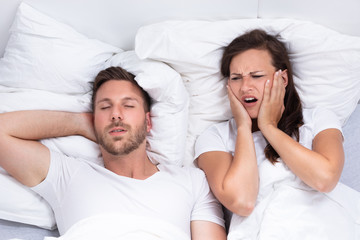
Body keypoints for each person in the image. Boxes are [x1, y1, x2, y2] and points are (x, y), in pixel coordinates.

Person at [0, 66, 226, 239]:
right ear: (93, 119)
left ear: (148, 122)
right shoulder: (68, 175)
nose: (116, 114)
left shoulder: (192, 182)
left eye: (128, 106)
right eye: (105, 107)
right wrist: (78, 122)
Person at [195, 29, 360, 239]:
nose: (245, 87)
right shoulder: (215, 137)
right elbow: (242, 201)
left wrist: (269, 127)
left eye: (256, 76)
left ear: (282, 79)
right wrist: (244, 127)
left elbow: (325, 179)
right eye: (236, 78)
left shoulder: (318, 119)